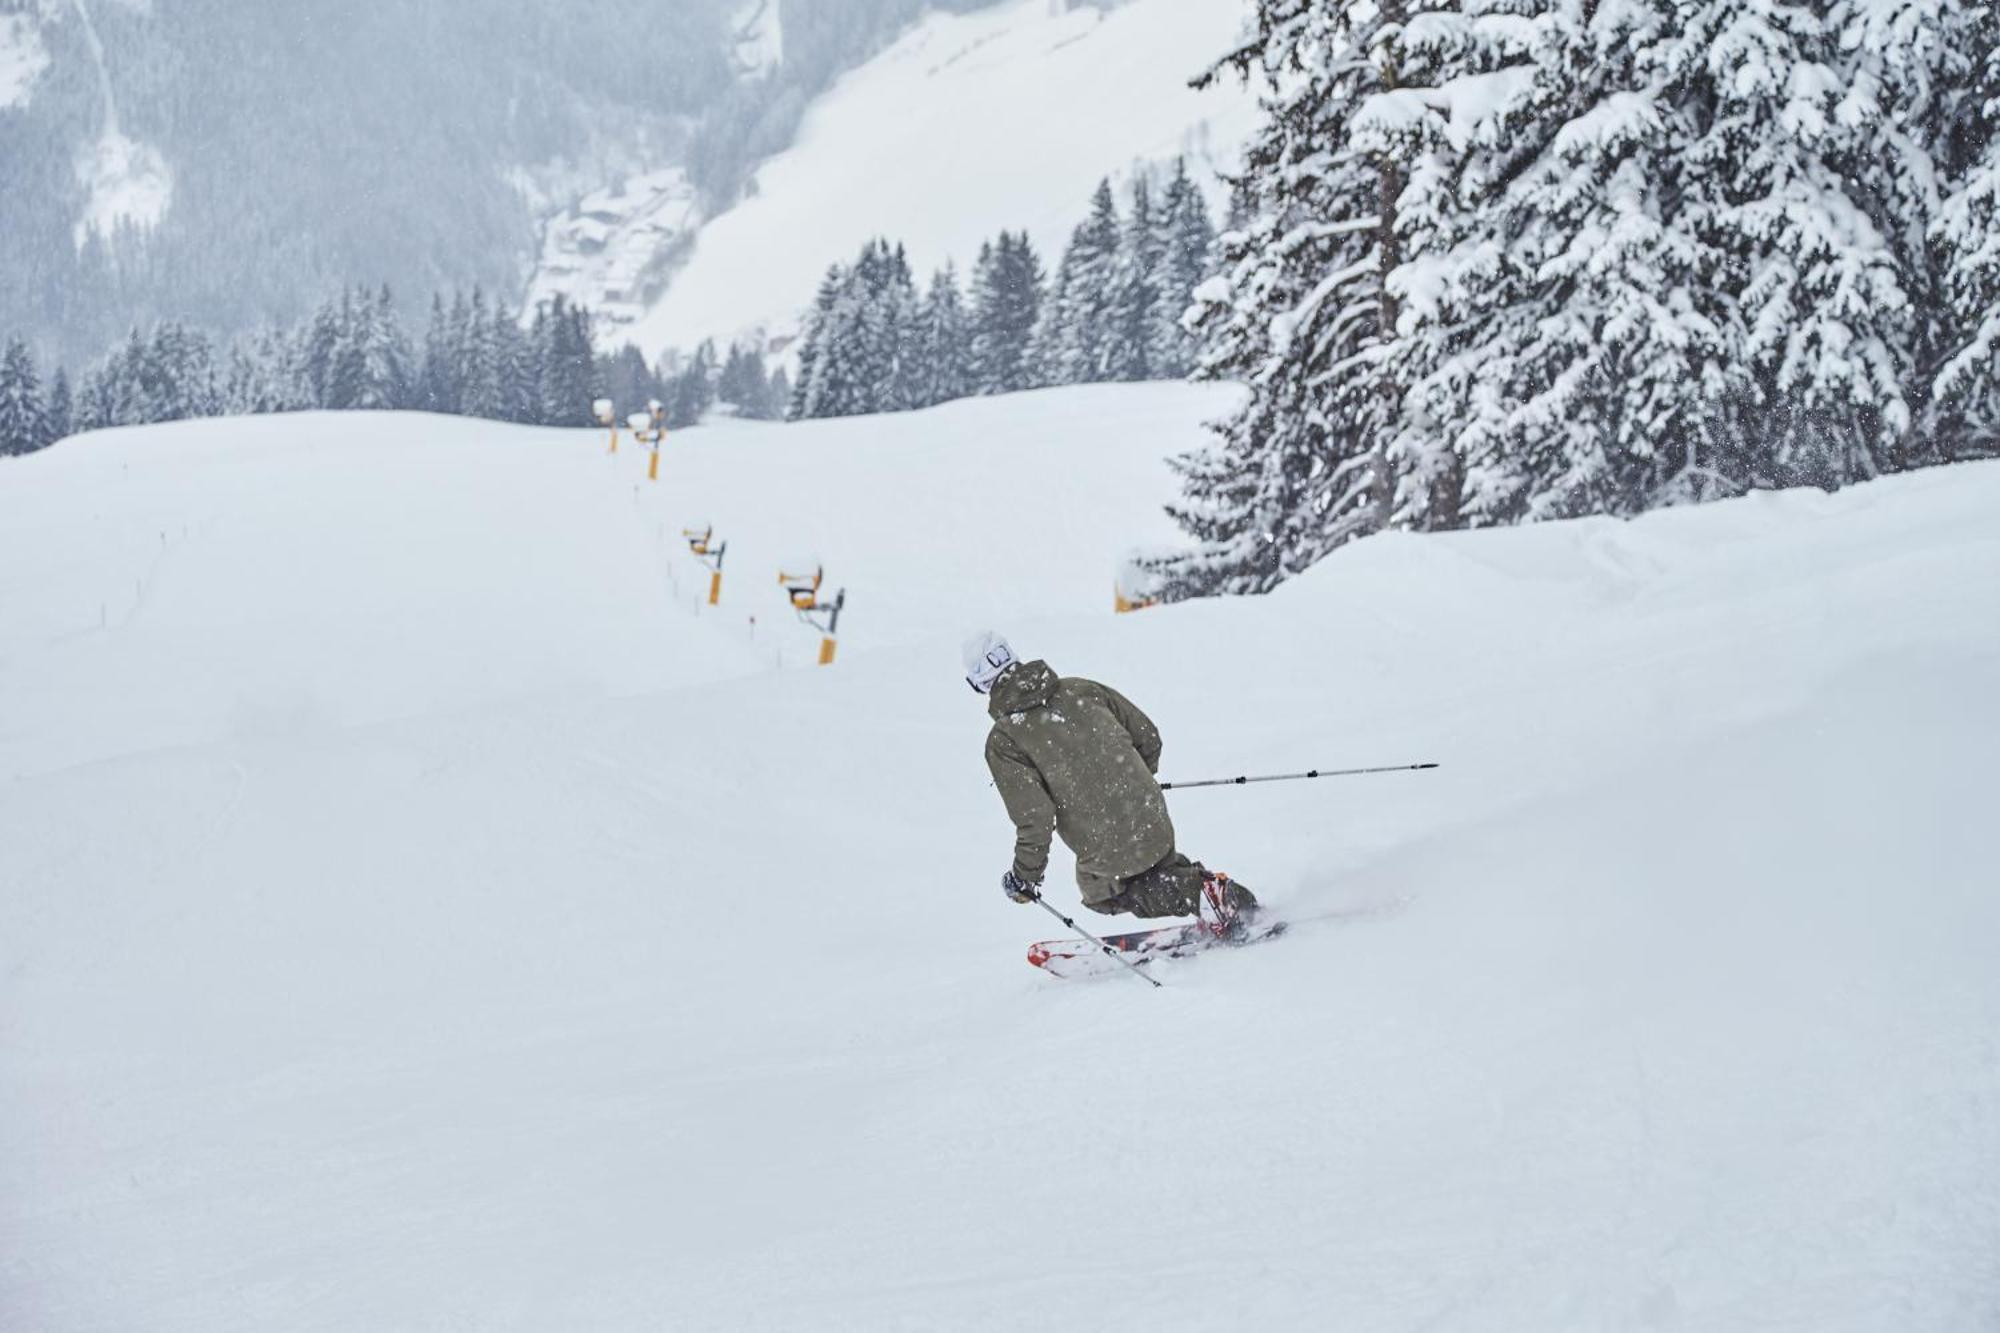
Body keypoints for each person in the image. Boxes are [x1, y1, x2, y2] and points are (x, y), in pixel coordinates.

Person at [965, 631, 1258, 929]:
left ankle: (1198, 894)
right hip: (1151, 814)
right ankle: (1214, 895)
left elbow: (1035, 818)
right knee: (1156, 864)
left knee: (1103, 894)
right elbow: (1148, 737)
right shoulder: (1081, 689)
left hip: (1103, 844)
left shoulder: (1004, 741)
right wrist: (1132, 782)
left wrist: (1025, 877)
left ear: (980, 684)